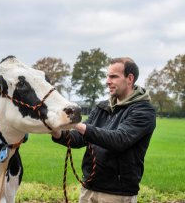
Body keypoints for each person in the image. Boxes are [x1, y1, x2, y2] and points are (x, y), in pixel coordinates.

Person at [51, 57, 156, 203]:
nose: (107, 81)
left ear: (130, 78)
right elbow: (80, 138)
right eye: (107, 76)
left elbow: (119, 140)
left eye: (113, 76)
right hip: (88, 188)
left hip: (117, 194)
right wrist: (56, 132)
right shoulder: (102, 107)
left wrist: (75, 123)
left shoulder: (143, 111)